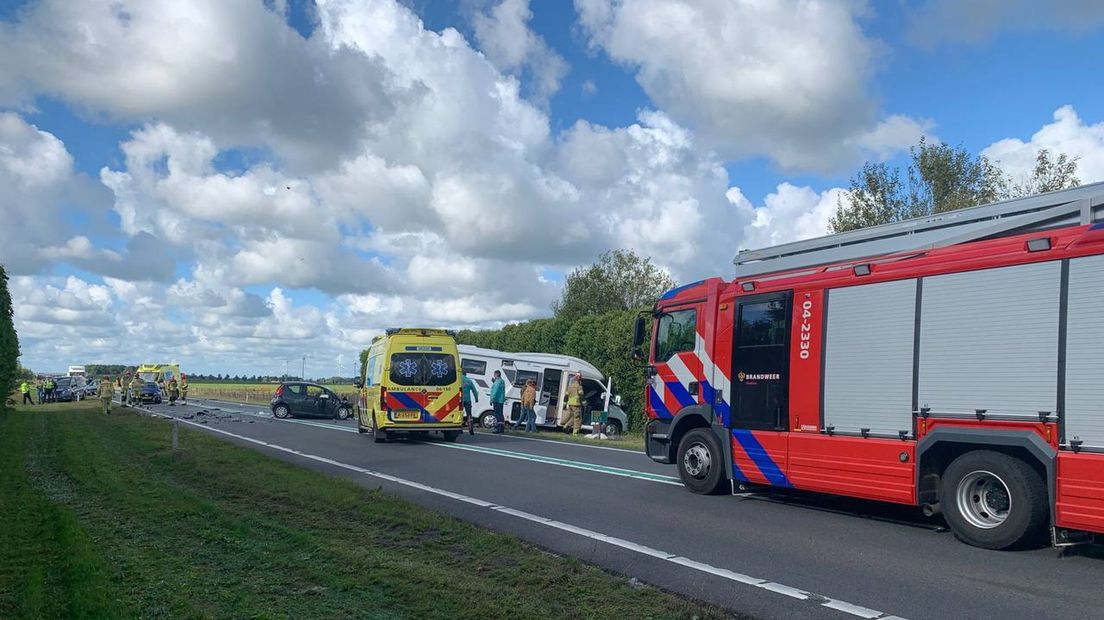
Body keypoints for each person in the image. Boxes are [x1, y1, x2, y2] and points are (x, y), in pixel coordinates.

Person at [460, 370, 479, 435]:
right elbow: (474, 391)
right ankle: (471, 429)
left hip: (460, 400)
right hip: (468, 400)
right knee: (469, 414)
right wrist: (476, 399)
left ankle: (460, 429)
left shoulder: (459, 380)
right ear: (466, 374)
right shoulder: (469, 381)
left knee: (460, 414)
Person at [488, 370, 506, 434]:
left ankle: (498, 429)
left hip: (497, 400)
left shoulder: (497, 382)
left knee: (498, 414)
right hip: (501, 400)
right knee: (501, 414)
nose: (494, 375)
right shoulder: (502, 381)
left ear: (496, 374)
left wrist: (492, 399)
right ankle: (501, 428)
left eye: (494, 374)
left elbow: (495, 391)